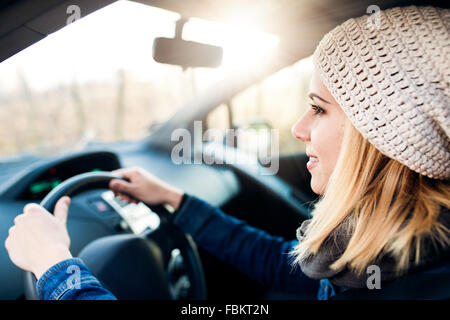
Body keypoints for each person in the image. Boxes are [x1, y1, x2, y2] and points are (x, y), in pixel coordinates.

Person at [4, 5, 450, 300]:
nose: (298, 128)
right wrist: (176, 201)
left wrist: (55, 267)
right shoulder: (387, 243)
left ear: (382, 136)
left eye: (318, 109)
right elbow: (288, 266)